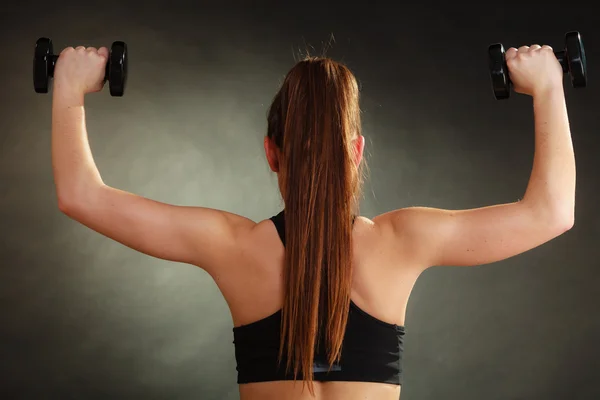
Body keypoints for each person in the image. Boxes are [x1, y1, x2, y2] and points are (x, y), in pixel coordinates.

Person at [51, 42, 575, 400]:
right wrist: (548, 86)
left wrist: (69, 86)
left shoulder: (232, 247)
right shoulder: (403, 240)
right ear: (356, 151)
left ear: (271, 153)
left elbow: (81, 196)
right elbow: (550, 212)